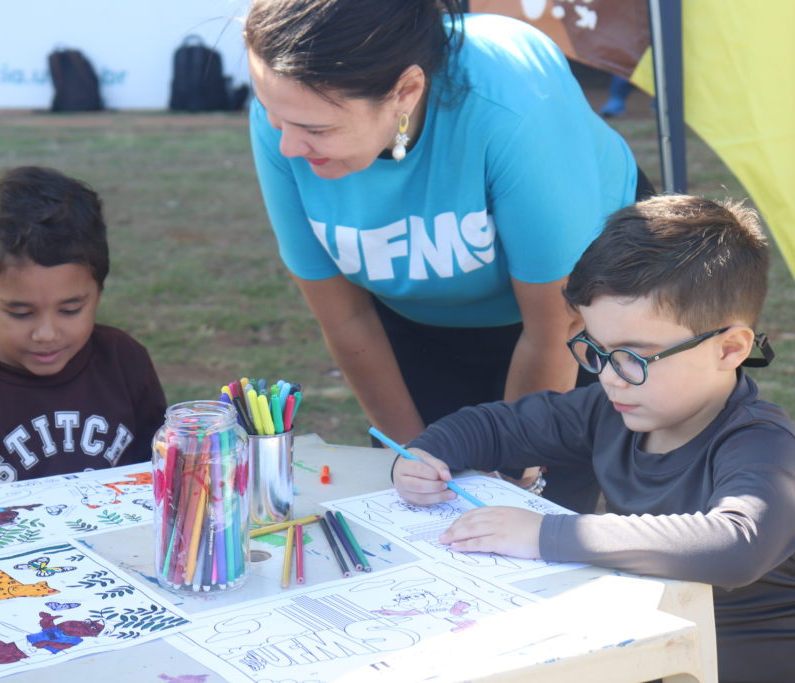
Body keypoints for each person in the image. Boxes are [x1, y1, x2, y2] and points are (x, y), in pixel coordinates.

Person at [244, 0, 653, 512]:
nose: (287, 146)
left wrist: (511, 477)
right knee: (417, 502)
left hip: (581, 308)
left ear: (405, 92)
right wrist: (412, 455)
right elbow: (346, 319)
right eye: (272, 114)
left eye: (316, 130)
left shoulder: (512, 104)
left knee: (542, 514)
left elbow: (556, 327)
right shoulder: (290, 112)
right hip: (420, 317)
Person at [393, 195, 792, 682]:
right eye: (597, 350)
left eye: (634, 356)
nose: (608, 376)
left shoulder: (763, 444)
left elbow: (736, 546)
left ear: (729, 349)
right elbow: (493, 427)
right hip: (644, 649)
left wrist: (545, 534)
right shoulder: (609, 411)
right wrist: (425, 453)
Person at [0, 166, 167, 500]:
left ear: (98, 292)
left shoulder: (125, 362)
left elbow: (162, 472)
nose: (46, 334)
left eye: (70, 309)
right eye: (20, 313)